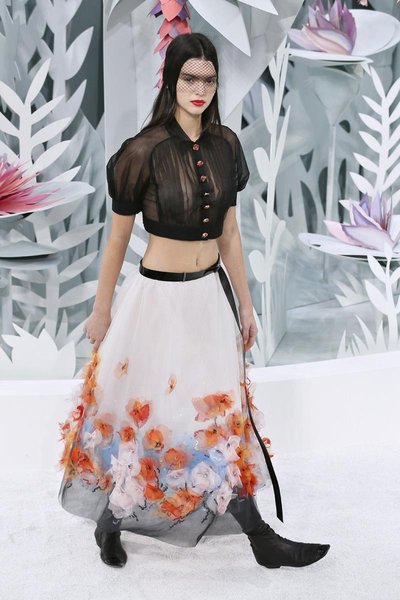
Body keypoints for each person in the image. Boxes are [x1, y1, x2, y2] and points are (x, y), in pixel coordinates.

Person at [58, 32, 330, 570]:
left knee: (218, 418)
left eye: (209, 79)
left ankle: (261, 538)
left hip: (209, 298)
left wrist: (246, 306)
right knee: (147, 416)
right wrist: (101, 309)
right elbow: (117, 240)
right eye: (190, 78)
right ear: (171, 80)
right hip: (156, 303)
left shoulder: (226, 145)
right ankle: (111, 521)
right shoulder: (142, 152)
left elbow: (230, 234)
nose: (200, 88)